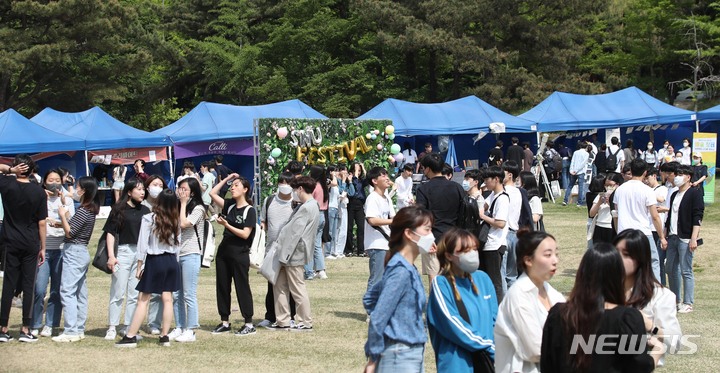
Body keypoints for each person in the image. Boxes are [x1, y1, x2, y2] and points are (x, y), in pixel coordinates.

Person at [541, 243, 661, 372]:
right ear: (618, 276)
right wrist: (657, 352)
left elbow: (547, 364)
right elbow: (639, 367)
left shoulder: (558, 314)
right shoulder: (627, 319)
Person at [363, 206, 433, 373]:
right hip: (400, 355)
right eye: (427, 229)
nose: (431, 235)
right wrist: (373, 358)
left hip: (412, 352)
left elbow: (371, 298)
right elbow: (379, 316)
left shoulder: (408, 268)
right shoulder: (400, 271)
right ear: (409, 233)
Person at [115, 189, 181, 348]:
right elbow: (178, 245)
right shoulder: (176, 219)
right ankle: (164, 336)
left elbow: (142, 245)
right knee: (168, 299)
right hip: (172, 261)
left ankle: (130, 336)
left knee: (143, 300)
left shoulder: (149, 218)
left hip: (155, 260)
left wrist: (139, 266)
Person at [427, 227, 497, 373]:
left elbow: (496, 320)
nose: (471, 254)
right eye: (465, 251)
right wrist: (489, 347)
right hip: (458, 366)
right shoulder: (441, 284)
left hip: (488, 364)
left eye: (474, 249)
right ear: (449, 255)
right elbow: (453, 324)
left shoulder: (483, 279)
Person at [495, 229, 564, 372]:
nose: (555, 260)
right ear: (528, 260)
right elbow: (536, 349)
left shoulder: (552, 293)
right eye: (548, 255)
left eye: (556, 254)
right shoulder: (518, 296)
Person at [615, 229, 682, 366]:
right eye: (615, 253)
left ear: (641, 259)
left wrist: (651, 326)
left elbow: (675, 343)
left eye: (626, 254)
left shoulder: (660, 296)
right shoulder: (604, 290)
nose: (618, 259)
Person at [0, 158, 47, 343]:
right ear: (32, 169)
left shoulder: (6, 183)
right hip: (30, 241)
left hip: (10, 240)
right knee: (28, 286)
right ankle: (26, 329)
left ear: (18, 167)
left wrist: (10, 169)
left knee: (8, 286)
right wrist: (43, 247)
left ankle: (3, 328)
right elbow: (42, 223)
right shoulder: (39, 192)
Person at [266, 176, 320, 331]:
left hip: (292, 254)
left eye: (295, 189)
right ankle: (282, 320)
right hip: (289, 253)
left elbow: (294, 234)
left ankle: (305, 321)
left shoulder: (306, 207)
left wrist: (284, 255)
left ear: (300, 189)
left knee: (296, 288)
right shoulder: (310, 205)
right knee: (279, 286)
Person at [103, 178, 152, 340]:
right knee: (118, 292)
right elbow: (110, 233)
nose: (142, 192)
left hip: (140, 255)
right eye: (138, 189)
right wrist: (111, 256)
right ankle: (112, 326)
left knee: (133, 293)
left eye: (143, 189)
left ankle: (129, 326)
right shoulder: (119, 209)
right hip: (122, 252)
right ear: (129, 192)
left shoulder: (146, 211)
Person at [53, 176, 100, 342]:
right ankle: (78, 329)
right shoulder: (89, 209)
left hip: (74, 251)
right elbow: (73, 227)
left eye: (77, 186)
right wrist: (58, 222)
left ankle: (71, 330)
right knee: (80, 292)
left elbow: (70, 232)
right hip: (80, 252)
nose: (75, 189)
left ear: (84, 190)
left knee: (67, 291)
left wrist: (62, 216)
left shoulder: (83, 210)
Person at [209, 174, 257, 336]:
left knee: (242, 287)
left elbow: (245, 234)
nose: (232, 187)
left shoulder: (249, 211)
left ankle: (249, 323)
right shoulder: (229, 205)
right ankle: (224, 321)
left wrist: (226, 224)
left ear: (245, 189)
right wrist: (227, 178)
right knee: (222, 286)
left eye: (236, 185)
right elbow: (213, 193)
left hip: (240, 253)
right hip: (224, 252)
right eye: (232, 185)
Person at [31, 170, 75, 338]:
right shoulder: (39, 198)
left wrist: (60, 219)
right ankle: (35, 323)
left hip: (61, 248)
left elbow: (71, 223)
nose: (54, 183)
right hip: (42, 249)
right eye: (51, 180)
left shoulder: (66, 199)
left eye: (57, 180)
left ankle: (51, 323)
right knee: (40, 289)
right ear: (45, 181)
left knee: (56, 290)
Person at [613, 158, 666, 282]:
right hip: (643, 233)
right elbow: (655, 216)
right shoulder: (647, 190)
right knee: (653, 262)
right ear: (645, 172)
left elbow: (616, 213)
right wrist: (662, 237)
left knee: (625, 263)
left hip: (624, 232)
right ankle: (655, 291)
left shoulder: (620, 190)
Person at [415, 152, 465, 283]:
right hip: (455, 238)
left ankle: (437, 303)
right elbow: (464, 213)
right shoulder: (457, 187)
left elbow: (420, 216)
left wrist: (426, 239)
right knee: (454, 277)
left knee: (435, 278)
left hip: (433, 239)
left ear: (428, 169)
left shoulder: (423, 189)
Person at [171, 177, 207, 343]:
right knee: (176, 294)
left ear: (192, 191)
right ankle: (180, 326)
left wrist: (184, 203)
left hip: (191, 253)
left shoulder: (198, 208)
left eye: (184, 189)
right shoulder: (177, 206)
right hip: (177, 252)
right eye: (180, 188)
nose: (181, 192)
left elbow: (184, 223)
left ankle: (191, 329)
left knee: (188, 294)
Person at [259, 172, 296, 328]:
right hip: (271, 249)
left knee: (291, 284)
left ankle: (292, 315)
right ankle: (270, 315)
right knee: (271, 283)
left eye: (287, 182)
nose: (284, 185)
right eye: (281, 182)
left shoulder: (296, 203)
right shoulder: (269, 201)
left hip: (290, 249)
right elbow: (263, 222)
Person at [665, 164, 704, 313]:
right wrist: (665, 235)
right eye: (676, 174)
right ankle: (676, 300)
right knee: (670, 268)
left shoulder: (694, 193)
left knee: (686, 270)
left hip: (686, 237)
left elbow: (697, 216)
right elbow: (670, 217)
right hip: (673, 236)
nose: (677, 177)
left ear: (688, 177)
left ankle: (688, 302)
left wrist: (694, 238)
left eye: (680, 174)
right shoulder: (675, 194)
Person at [141, 175, 168, 334]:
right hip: (145, 251)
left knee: (160, 292)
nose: (156, 187)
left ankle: (154, 323)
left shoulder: (167, 206)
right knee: (142, 293)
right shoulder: (142, 205)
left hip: (161, 251)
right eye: (154, 184)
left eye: (160, 185)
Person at [479, 166, 510, 301]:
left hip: (495, 244)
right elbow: (483, 205)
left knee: (495, 281)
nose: (485, 183)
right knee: (487, 280)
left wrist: (483, 216)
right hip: (489, 243)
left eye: (487, 179)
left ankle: (498, 311)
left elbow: (500, 223)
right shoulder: (493, 195)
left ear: (496, 179)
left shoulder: (502, 198)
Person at [364, 167, 395, 296]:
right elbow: (372, 220)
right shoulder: (373, 198)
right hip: (376, 244)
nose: (387, 178)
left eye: (387, 175)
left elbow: (393, 218)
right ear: (374, 181)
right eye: (383, 176)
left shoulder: (386, 198)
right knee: (376, 279)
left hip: (386, 243)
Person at [305, 165, 328, 280]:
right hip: (322, 215)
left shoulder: (314, 186)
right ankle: (321, 270)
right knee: (317, 244)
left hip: (314, 214)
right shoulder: (323, 186)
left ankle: (309, 271)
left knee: (309, 244)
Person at [332, 165, 354, 258]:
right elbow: (340, 191)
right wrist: (344, 181)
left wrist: (350, 181)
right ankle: (334, 250)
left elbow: (352, 193)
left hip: (344, 206)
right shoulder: (337, 181)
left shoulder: (347, 182)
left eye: (346, 171)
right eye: (343, 170)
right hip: (336, 205)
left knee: (343, 229)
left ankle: (340, 250)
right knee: (336, 228)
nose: (345, 172)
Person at [588, 174, 617, 245]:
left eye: (611, 185)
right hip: (599, 226)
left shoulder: (618, 195)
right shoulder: (600, 195)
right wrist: (599, 202)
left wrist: (610, 203)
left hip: (611, 227)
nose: (608, 187)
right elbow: (591, 214)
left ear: (617, 184)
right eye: (606, 185)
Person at [345, 162, 367, 257]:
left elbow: (368, 179)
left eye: (359, 169)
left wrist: (363, 167)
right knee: (349, 227)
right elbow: (352, 190)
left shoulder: (361, 180)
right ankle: (349, 249)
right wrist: (354, 175)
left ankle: (361, 250)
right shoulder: (350, 179)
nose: (358, 171)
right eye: (356, 169)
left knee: (361, 227)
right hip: (351, 203)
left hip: (360, 204)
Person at [563, 141, 589, 207]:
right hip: (581, 171)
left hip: (573, 171)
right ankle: (579, 202)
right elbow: (583, 164)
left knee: (570, 185)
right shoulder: (586, 154)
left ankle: (565, 200)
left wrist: (571, 170)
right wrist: (576, 170)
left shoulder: (575, 152)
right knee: (580, 187)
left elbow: (573, 161)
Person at [324, 166, 340, 258]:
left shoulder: (336, 182)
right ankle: (327, 252)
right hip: (330, 208)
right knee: (329, 231)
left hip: (335, 208)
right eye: (335, 171)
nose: (337, 173)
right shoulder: (327, 181)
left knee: (334, 231)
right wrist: (333, 176)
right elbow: (333, 183)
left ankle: (333, 250)